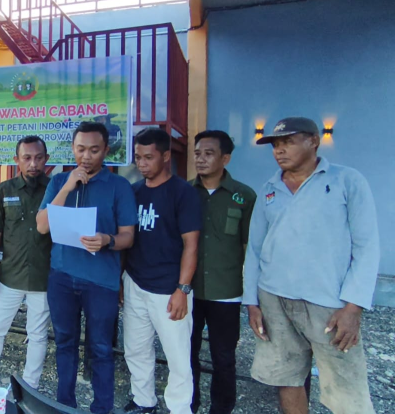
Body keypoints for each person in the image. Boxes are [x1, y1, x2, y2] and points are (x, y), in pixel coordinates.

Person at [244, 117, 379, 414]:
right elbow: (254, 248)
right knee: (286, 377)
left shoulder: (346, 181)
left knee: (347, 390)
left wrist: (353, 307)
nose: (279, 150)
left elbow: (367, 247)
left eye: (288, 142)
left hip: (329, 303)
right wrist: (252, 303)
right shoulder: (269, 188)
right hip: (274, 299)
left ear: (314, 141)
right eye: (275, 145)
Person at [36, 121, 137, 414]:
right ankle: (64, 405)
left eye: (94, 150)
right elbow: (42, 226)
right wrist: (68, 186)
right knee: (64, 343)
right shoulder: (59, 181)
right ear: (72, 148)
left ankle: (101, 408)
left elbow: (128, 236)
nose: (86, 156)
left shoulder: (119, 186)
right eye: (80, 149)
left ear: (106, 150)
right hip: (62, 277)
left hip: (101, 281)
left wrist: (107, 240)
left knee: (101, 348)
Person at [123, 127, 201, 414]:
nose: (142, 163)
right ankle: (143, 400)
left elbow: (191, 245)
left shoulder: (183, 193)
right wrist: (122, 280)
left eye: (148, 157)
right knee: (136, 348)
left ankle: (180, 408)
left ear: (166, 156)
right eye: (138, 157)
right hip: (135, 282)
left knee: (178, 356)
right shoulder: (134, 191)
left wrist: (183, 289)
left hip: (169, 289)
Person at [0, 136, 53, 391]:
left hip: (43, 277)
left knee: (37, 335)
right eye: (27, 158)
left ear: (46, 159)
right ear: (16, 160)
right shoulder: (4, 190)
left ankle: (29, 390)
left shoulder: (54, 190)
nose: (33, 163)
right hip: (10, 276)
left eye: (38, 158)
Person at [188, 130, 256, 414]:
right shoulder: (185, 192)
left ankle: (221, 408)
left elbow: (250, 246)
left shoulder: (244, 196)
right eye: (197, 153)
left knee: (224, 357)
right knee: (186, 352)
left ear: (225, 158)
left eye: (209, 153)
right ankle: (189, 404)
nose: (200, 159)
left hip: (225, 292)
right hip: (188, 290)